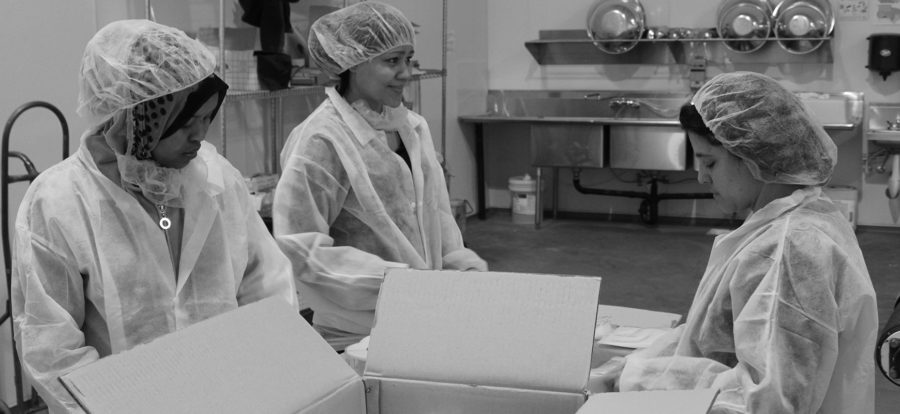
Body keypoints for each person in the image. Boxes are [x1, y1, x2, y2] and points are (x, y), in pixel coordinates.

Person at [11, 20, 297, 413]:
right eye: (185, 123)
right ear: (138, 118)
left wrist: (267, 384)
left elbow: (266, 288)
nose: (200, 138)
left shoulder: (217, 180)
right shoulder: (58, 203)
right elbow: (53, 350)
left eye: (206, 120)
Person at [597, 72, 878, 414]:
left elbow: (768, 402)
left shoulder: (789, 250)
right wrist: (635, 365)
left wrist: (641, 379)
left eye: (710, 162)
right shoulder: (792, 218)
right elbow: (716, 338)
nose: (701, 177)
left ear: (751, 157)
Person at [272, 1, 487, 351]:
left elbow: (437, 215)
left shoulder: (412, 127)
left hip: (424, 314)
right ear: (352, 63)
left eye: (408, 59)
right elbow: (301, 246)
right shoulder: (321, 140)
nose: (406, 73)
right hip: (357, 333)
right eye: (392, 61)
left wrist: (464, 274)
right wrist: (394, 282)